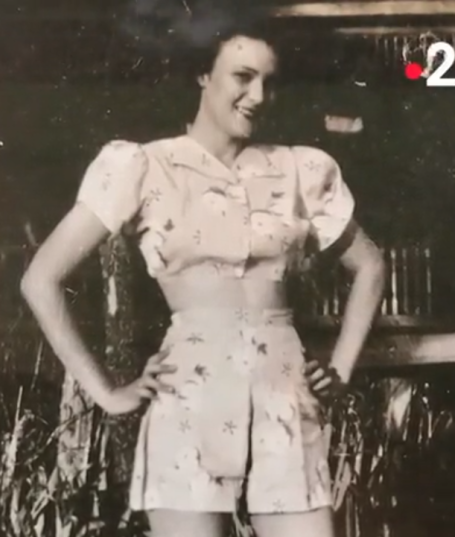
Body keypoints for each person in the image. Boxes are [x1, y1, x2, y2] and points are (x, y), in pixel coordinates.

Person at [20, 10, 386, 537]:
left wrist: (342, 370)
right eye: (242, 76)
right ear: (202, 75)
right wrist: (108, 393)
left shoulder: (300, 168)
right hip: (187, 400)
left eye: (269, 81)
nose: (258, 96)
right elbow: (41, 279)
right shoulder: (143, 167)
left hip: (284, 397)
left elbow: (370, 266)